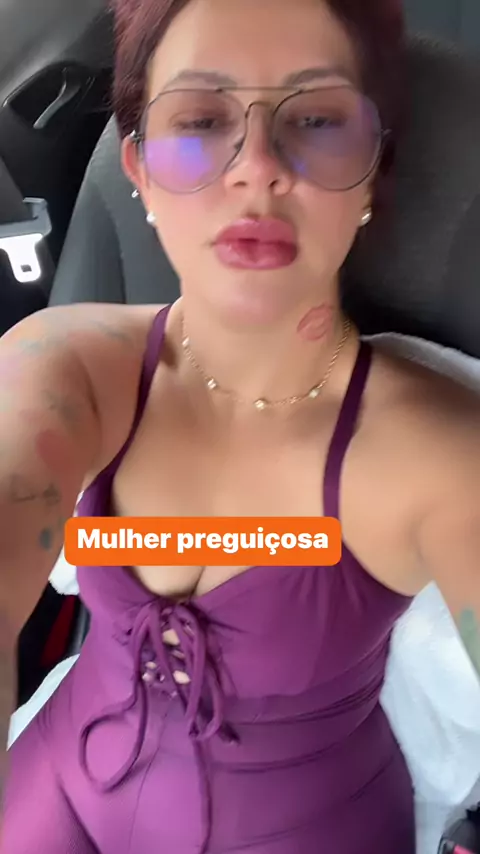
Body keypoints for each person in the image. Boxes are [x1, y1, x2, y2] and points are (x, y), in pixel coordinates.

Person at [0, 0, 479, 850]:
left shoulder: (439, 459)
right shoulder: (65, 368)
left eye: (316, 119)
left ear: (373, 167)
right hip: (66, 776)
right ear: (140, 168)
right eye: (200, 119)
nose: (257, 167)